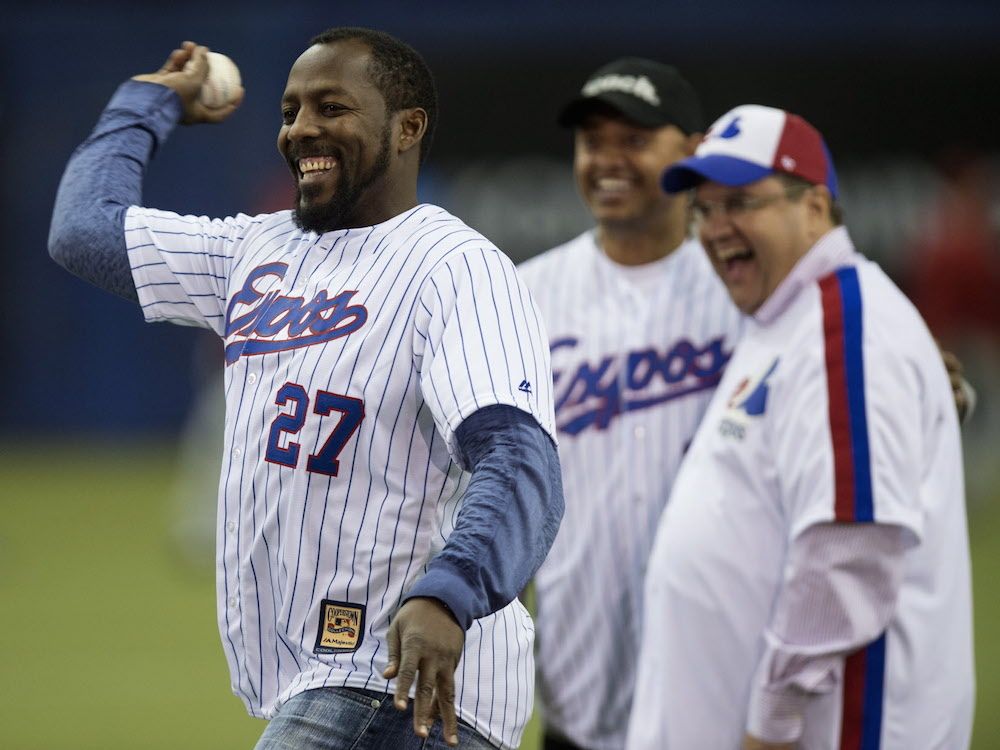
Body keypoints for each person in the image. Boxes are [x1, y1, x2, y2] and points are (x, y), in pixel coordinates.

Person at [48, 28, 564, 750]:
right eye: (290, 111)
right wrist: (146, 103)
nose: (301, 129)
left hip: (399, 676)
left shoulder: (455, 267)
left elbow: (519, 458)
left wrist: (451, 590)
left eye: (331, 107)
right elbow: (82, 230)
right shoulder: (255, 248)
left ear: (407, 127)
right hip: (324, 677)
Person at [628, 105, 974, 749]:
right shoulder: (787, 316)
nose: (715, 228)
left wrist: (774, 721)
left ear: (815, 207)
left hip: (828, 731)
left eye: (740, 202)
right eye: (704, 209)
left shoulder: (844, 326)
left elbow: (848, 548)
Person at [517, 58, 744, 750]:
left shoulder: (748, 286)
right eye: (593, 141)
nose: (608, 160)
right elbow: (491, 492)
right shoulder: (524, 297)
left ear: (693, 151)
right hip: (577, 694)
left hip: (730, 697)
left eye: (634, 139)